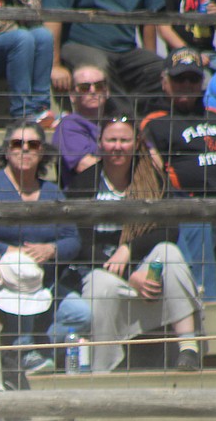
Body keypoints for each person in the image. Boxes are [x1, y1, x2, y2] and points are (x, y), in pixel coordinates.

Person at [67, 116, 202, 371]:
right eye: (111, 140)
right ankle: (102, 371)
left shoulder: (152, 178)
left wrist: (128, 249)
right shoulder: (83, 183)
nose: (118, 146)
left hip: (147, 271)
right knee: (101, 285)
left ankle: (189, 349)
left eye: (124, 140)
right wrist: (129, 275)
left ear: (136, 143)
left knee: (168, 252)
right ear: (100, 143)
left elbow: (169, 229)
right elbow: (81, 244)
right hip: (102, 271)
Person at [0, 121, 82, 374]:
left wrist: (51, 249)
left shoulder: (53, 192)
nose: (24, 149)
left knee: (82, 314)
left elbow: (72, 239)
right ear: (6, 150)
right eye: (17, 144)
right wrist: (5, 251)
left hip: (43, 284)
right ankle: (21, 352)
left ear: (42, 151)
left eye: (32, 144)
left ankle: (33, 347)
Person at [141, 46, 216, 301]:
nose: (186, 84)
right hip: (196, 207)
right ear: (165, 82)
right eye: (179, 79)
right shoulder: (154, 123)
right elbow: (153, 172)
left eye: (193, 78)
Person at [41, 0, 165, 112]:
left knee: (160, 68)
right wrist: (54, 65)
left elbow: (149, 14)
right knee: (98, 69)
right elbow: (52, 14)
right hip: (81, 44)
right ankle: (124, 124)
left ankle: (145, 123)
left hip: (126, 48)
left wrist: (149, 55)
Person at [52, 64, 115, 188]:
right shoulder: (68, 126)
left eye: (99, 86)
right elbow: (86, 167)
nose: (92, 91)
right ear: (72, 96)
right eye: (84, 88)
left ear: (107, 91)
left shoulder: (117, 123)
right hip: (87, 197)